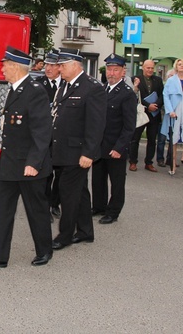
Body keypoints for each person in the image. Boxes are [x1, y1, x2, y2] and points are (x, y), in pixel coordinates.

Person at [0, 47, 53, 268]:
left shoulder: (35, 91)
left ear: (15, 67)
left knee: (36, 210)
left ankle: (45, 250)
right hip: (9, 162)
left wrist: (34, 163)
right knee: (1, 210)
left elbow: (42, 131)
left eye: (5, 65)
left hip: (28, 165)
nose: (2, 69)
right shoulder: (14, 89)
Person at [50, 48, 106, 250]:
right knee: (80, 192)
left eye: (62, 65)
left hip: (78, 152)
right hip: (63, 150)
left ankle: (65, 235)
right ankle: (85, 232)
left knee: (68, 193)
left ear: (75, 65)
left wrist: (88, 153)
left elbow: (96, 125)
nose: (59, 69)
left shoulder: (92, 88)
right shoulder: (65, 85)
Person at [92, 54, 137, 224]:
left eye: (115, 70)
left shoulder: (127, 94)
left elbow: (129, 126)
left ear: (122, 72)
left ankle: (113, 211)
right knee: (98, 179)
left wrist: (120, 147)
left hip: (115, 146)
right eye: (109, 70)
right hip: (100, 145)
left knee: (116, 181)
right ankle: (99, 206)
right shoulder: (102, 89)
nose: (111, 73)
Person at [35, 50, 63, 218]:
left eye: (52, 65)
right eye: (46, 65)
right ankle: (44, 205)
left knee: (59, 172)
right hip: (44, 135)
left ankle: (55, 203)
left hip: (60, 136)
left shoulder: (66, 85)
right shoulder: (38, 84)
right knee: (45, 173)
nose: (48, 68)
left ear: (60, 67)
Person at [128, 59, 163, 172]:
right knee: (135, 139)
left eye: (152, 68)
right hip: (141, 113)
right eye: (148, 68)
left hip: (154, 114)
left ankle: (149, 163)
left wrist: (156, 105)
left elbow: (162, 95)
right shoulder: (135, 79)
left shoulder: (158, 80)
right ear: (143, 67)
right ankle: (133, 162)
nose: (150, 70)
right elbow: (134, 96)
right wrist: (148, 105)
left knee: (152, 140)